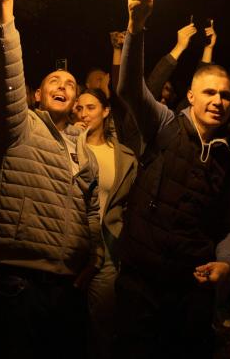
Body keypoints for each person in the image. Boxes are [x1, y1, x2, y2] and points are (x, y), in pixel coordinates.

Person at [114, 0, 230, 359]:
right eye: (209, 93)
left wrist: (226, 263)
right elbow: (131, 89)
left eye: (226, 95)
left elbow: (229, 223)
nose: (218, 101)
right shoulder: (165, 125)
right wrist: (136, 26)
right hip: (141, 283)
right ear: (191, 96)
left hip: (190, 289)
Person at [0, 0, 103, 359]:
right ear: (37, 95)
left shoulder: (82, 148)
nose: (63, 85)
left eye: (70, 84)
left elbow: (90, 209)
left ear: (75, 101)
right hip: (22, 277)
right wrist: (7, 11)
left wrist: (94, 254)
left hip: (69, 281)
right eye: (54, 80)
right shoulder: (22, 127)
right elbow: (9, 77)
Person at [75, 88, 137, 359]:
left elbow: (130, 204)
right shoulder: (66, 146)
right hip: (73, 241)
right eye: (79, 108)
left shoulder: (123, 156)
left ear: (105, 111)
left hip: (109, 244)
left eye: (90, 107)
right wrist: (73, 140)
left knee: (102, 321)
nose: (83, 114)